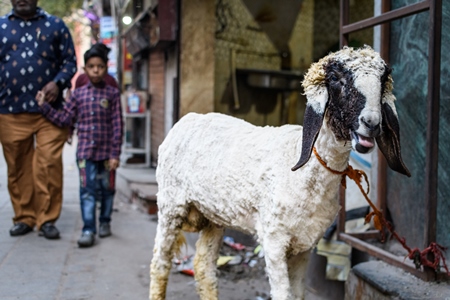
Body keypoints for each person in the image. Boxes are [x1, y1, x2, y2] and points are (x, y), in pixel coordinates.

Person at [0, 0, 77, 239]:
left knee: (49, 165)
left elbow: (70, 61)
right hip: (10, 110)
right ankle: (24, 217)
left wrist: (58, 82)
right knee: (18, 167)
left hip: (50, 113)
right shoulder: (1, 26)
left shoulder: (55, 25)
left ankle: (47, 219)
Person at [36, 44, 123, 247]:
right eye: (91, 66)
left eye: (100, 66)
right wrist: (44, 107)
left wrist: (115, 153)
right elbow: (65, 118)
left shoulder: (112, 94)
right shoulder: (77, 95)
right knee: (87, 191)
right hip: (85, 154)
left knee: (108, 189)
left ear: (105, 67)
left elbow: (118, 125)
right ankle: (88, 229)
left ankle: (105, 222)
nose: (95, 70)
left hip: (107, 153)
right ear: (85, 69)